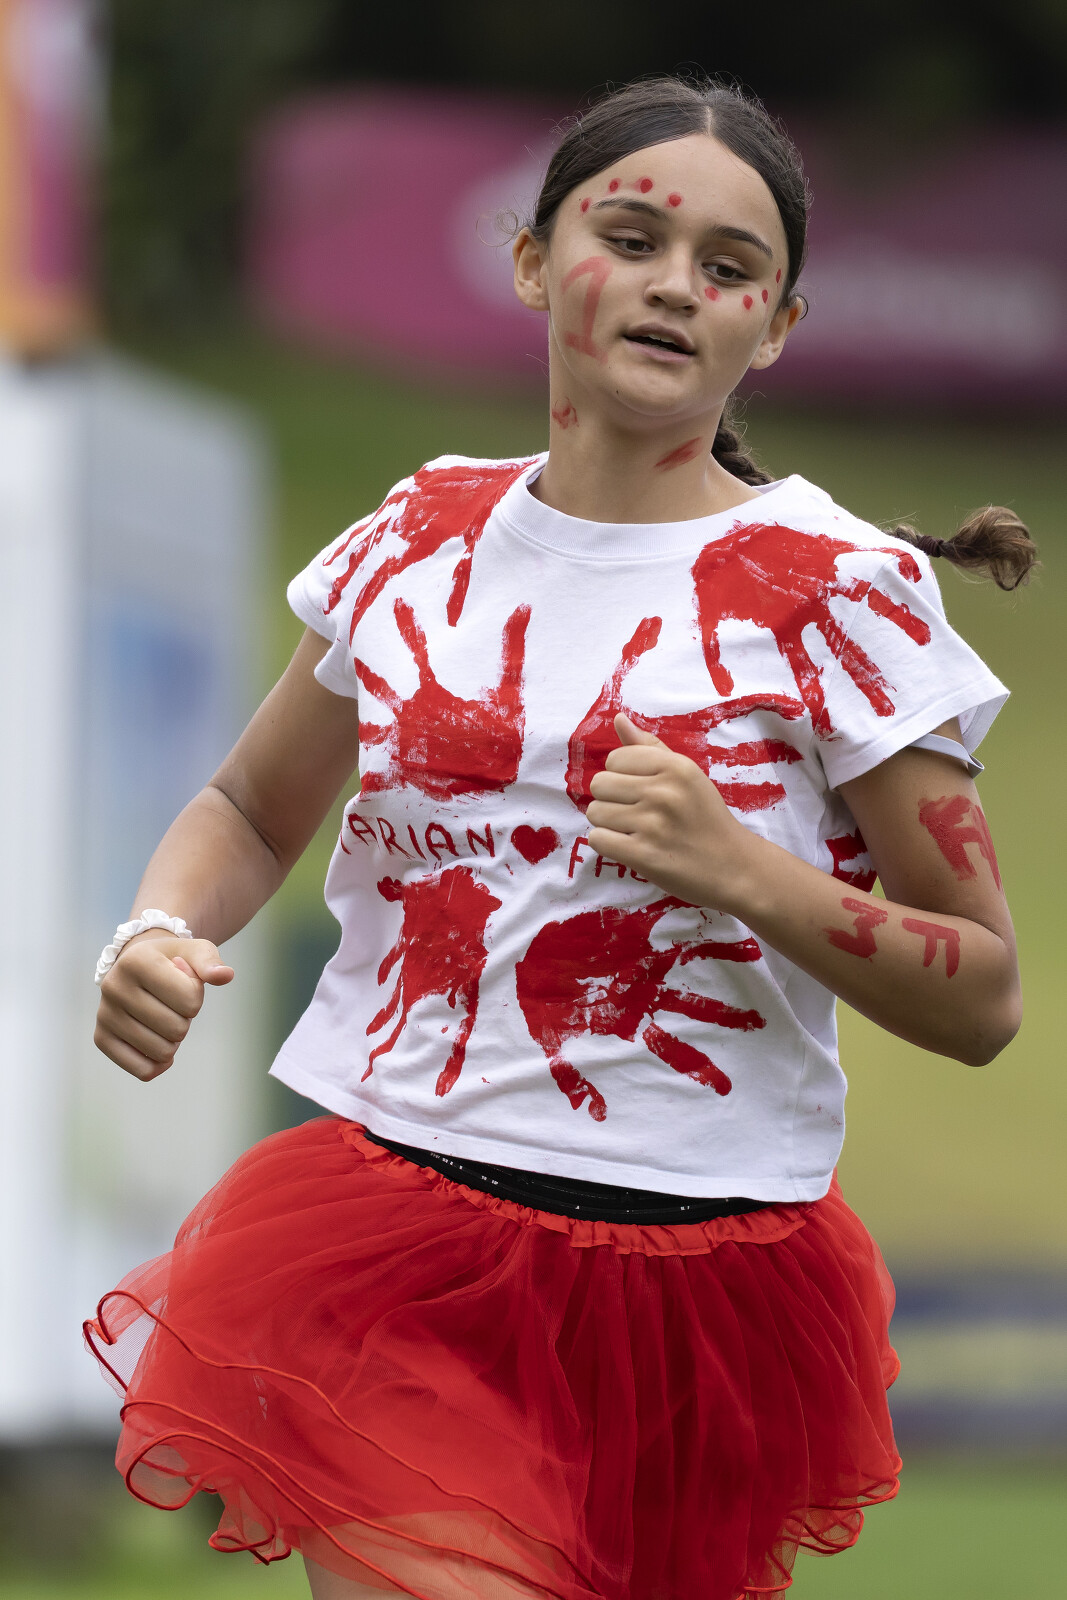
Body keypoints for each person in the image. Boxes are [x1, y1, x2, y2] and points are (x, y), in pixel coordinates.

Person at [86, 76, 1036, 1600]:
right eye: (633, 238)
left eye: (729, 267)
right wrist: (158, 927)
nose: (677, 284)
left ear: (776, 327)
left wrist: (744, 873)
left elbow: (982, 993)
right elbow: (250, 810)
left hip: (709, 1299)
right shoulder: (419, 538)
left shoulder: (842, 591)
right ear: (535, 263)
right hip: (400, 1247)